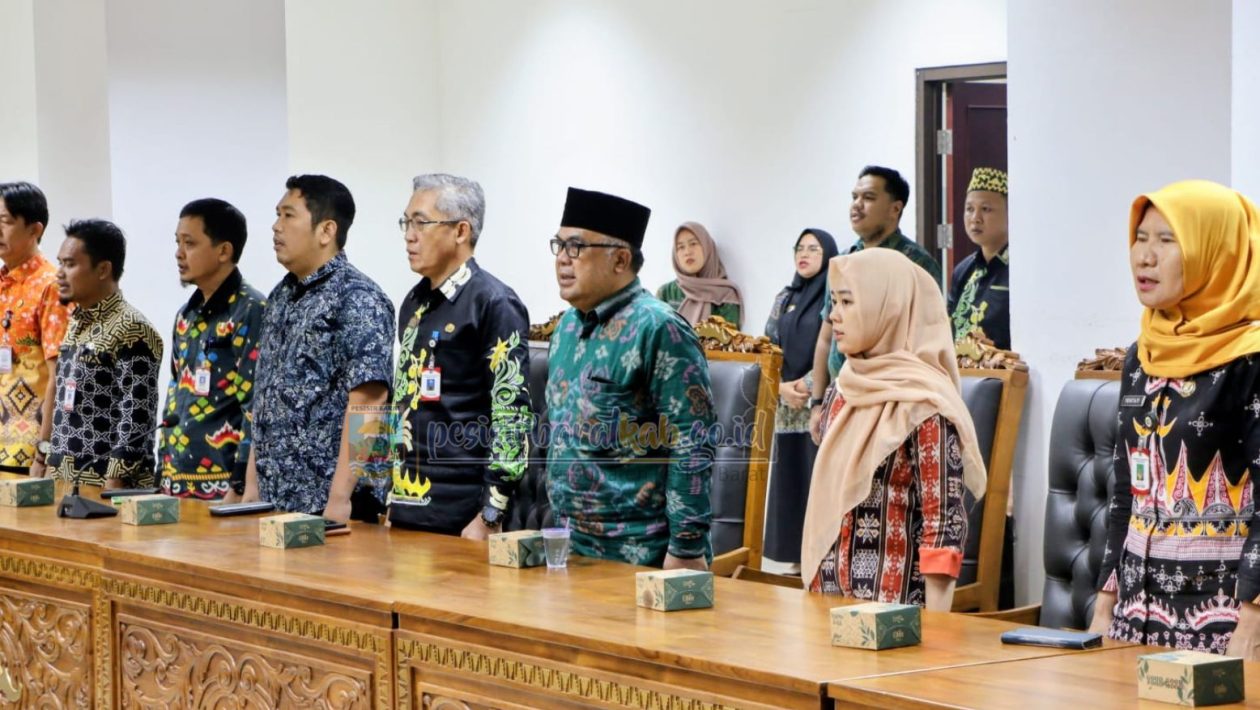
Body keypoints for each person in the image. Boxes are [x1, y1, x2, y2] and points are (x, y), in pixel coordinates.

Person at [1089, 180, 1260, 658]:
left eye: (1167, 241)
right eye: (1140, 238)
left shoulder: (1250, 359)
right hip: (1134, 620)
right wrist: (1105, 603)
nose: (1145, 257)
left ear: (1217, 253)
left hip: (1225, 628)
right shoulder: (1142, 356)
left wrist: (1251, 621)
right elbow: (1126, 491)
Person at [803, 248, 985, 610]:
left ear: (888, 308)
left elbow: (943, 525)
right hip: (824, 601)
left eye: (847, 302)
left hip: (894, 617)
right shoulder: (842, 389)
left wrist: (936, 631)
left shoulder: (926, 404)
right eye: (834, 302)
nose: (834, 315)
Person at [546, 187, 716, 569]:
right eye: (558, 245)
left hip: (641, 553)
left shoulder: (658, 328)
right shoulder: (566, 328)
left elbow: (693, 442)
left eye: (576, 247)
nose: (562, 259)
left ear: (620, 259)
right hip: (569, 545)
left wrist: (686, 548)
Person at [240, 175, 394, 522]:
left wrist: (339, 499)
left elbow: (371, 404)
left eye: (288, 215)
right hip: (275, 501)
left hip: (330, 508)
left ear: (326, 231)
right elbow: (265, 399)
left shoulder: (359, 298)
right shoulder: (280, 296)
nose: (276, 226)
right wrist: (252, 485)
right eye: (277, 215)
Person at [387, 173, 532, 539]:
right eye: (406, 222)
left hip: (463, 515)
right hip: (406, 504)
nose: (409, 235)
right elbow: (401, 403)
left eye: (421, 222)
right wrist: (387, 495)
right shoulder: (413, 302)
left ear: (461, 231)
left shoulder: (493, 303)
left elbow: (511, 416)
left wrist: (490, 515)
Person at [808, 166, 942, 445]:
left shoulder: (915, 264)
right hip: (841, 397)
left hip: (891, 405)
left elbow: (926, 341)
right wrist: (817, 403)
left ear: (895, 209)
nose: (857, 205)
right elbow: (825, 338)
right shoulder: (844, 261)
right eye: (854, 197)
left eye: (868, 197)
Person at [157, 199, 266, 499]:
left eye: (189, 243)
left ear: (224, 251)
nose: (179, 253)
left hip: (224, 487)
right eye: (177, 242)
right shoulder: (185, 314)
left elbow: (255, 404)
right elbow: (173, 396)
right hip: (175, 481)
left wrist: (240, 483)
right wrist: (162, 468)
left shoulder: (250, 309)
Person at [47, 219, 163, 489]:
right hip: (64, 480)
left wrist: (115, 482)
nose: (59, 274)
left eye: (70, 264)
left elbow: (136, 415)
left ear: (103, 269)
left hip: (107, 487)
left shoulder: (132, 328)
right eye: (60, 263)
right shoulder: (76, 323)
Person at [762, 228, 839, 572]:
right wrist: (780, 387)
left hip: (818, 402)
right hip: (785, 406)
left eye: (814, 249)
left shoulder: (833, 295)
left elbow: (834, 347)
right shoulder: (784, 297)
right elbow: (767, 346)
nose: (804, 255)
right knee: (791, 478)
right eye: (800, 248)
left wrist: (808, 385)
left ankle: (821, 558)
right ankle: (795, 558)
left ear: (829, 255)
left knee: (817, 475)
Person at [0, 182, 70, 476]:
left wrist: (43, 452)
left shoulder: (51, 286)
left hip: (28, 454)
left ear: (34, 229)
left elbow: (59, 375)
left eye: (5, 221)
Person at [948, 167, 1010, 349]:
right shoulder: (963, 270)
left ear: (1010, 213)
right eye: (969, 209)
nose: (975, 218)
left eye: (986, 209)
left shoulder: (1020, 269)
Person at [655, 222, 743, 328]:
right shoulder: (666, 293)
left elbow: (727, 337)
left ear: (707, 247)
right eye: (681, 247)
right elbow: (657, 333)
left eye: (693, 244)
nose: (687, 252)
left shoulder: (725, 296)